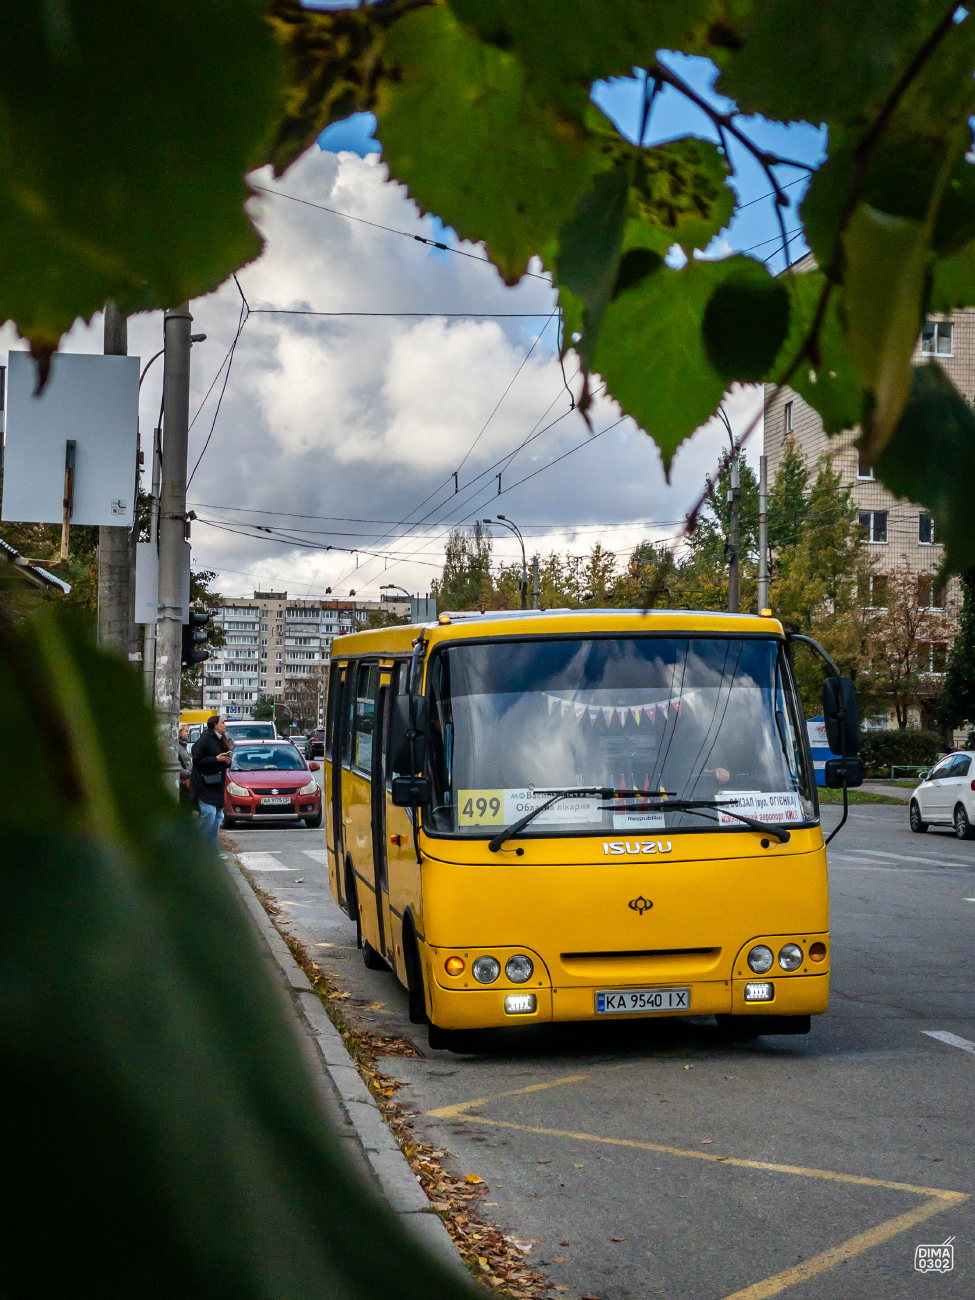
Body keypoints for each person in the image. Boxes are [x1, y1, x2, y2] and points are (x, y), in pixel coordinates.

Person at [191, 715, 232, 845]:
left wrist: (227, 761)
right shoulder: (205, 739)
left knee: (219, 816)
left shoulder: (222, 739)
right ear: (215, 725)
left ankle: (213, 849)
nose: (225, 725)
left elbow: (222, 761)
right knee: (209, 814)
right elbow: (197, 759)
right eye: (222, 722)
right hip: (205, 783)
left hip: (217, 783)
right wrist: (215, 759)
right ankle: (198, 844)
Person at [177, 724, 193, 808]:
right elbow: (177, 766)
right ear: (179, 732)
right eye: (186, 731)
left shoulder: (183, 746)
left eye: (188, 731)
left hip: (187, 781)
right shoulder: (177, 747)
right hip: (183, 782)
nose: (188, 733)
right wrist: (188, 774)